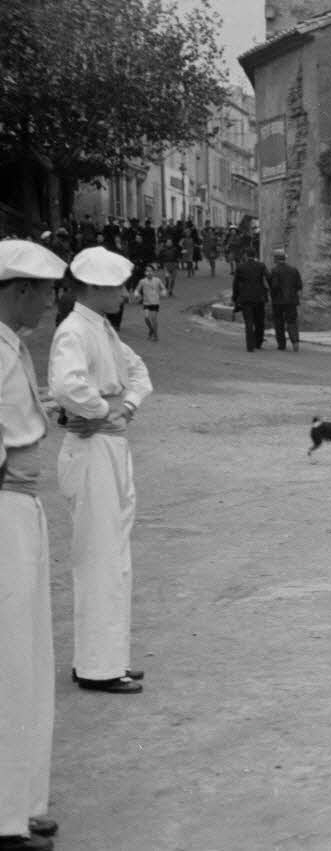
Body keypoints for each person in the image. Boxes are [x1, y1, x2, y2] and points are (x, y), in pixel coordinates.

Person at [48, 246, 153, 695]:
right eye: (115, 287)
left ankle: (103, 656)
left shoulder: (102, 330)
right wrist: (99, 410)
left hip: (108, 444)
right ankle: (98, 667)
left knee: (112, 554)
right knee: (100, 555)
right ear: (91, 288)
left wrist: (123, 407)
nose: (124, 294)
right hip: (91, 449)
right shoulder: (74, 330)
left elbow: (139, 372)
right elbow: (66, 385)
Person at [0, 240, 66, 850]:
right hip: (3, 507)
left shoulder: (10, 345)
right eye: (45, 291)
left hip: (19, 506)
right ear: (19, 290)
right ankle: (3, 813)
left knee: (27, 655)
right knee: (8, 659)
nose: (51, 301)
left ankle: (19, 799)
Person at [230, 251, 269, 352]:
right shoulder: (261, 266)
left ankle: (250, 346)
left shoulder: (240, 267)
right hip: (259, 297)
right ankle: (258, 343)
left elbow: (235, 284)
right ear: (255, 256)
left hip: (246, 298)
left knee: (249, 322)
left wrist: (235, 297)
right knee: (259, 321)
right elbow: (268, 277)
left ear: (246, 256)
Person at [267, 248, 302, 352]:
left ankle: (281, 344)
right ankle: (295, 342)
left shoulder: (274, 270)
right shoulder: (294, 270)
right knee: (292, 321)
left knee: (279, 322)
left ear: (276, 259)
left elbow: (274, 286)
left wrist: (272, 294)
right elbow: (299, 285)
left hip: (278, 301)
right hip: (291, 300)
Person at [136, 264, 164, 341]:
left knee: (154, 319)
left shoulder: (157, 280)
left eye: (150, 271)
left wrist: (164, 291)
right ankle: (151, 329)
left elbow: (163, 288)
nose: (149, 272)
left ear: (154, 272)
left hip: (155, 302)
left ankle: (156, 335)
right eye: (147, 271)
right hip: (146, 303)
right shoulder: (142, 281)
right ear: (145, 272)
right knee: (146, 317)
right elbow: (137, 289)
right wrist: (136, 293)